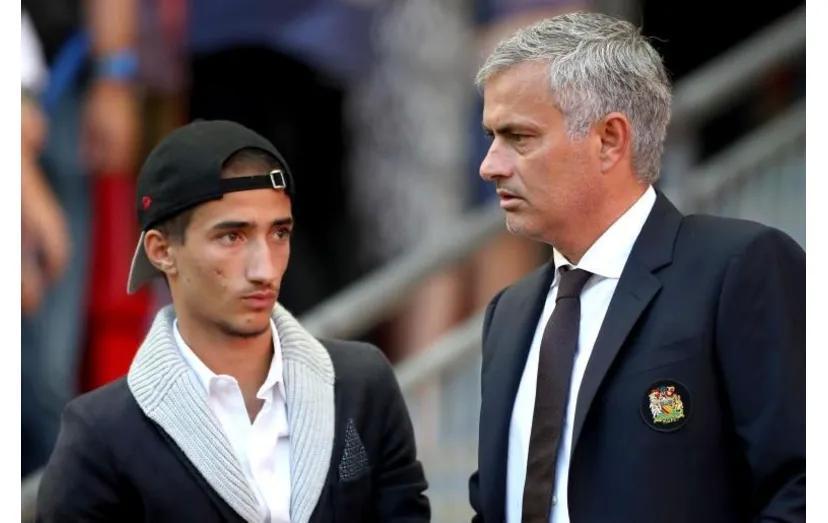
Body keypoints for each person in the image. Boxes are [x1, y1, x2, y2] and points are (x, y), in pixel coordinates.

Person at [468, 12, 804, 523]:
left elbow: (803, 487)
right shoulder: (508, 314)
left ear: (609, 139)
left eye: (519, 137)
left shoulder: (739, 268)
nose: (489, 165)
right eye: (491, 137)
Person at [37, 120, 430, 522]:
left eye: (279, 233)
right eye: (232, 237)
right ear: (161, 251)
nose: (265, 269)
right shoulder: (102, 433)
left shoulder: (363, 384)